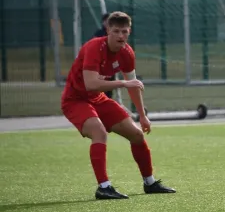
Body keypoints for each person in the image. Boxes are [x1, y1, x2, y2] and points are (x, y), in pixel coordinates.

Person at [61, 11, 176, 200]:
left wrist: (142, 115)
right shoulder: (94, 47)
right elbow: (91, 84)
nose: (120, 36)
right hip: (75, 100)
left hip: (98, 99)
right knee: (99, 132)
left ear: (129, 32)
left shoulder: (127, 53)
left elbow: (134, 85)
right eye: (116, 31)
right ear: (108, 30)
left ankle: (149, 183)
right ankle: (104, 188)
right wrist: (123, 83)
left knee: (137, 134)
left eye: (124, 31)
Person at [92, 13, 115, 100]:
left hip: (111, 62)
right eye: (107, 21)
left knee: (110, 84)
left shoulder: (114, 32)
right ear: (103, 22)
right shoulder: (99, 33)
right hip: (101, 63)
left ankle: (108, 100)